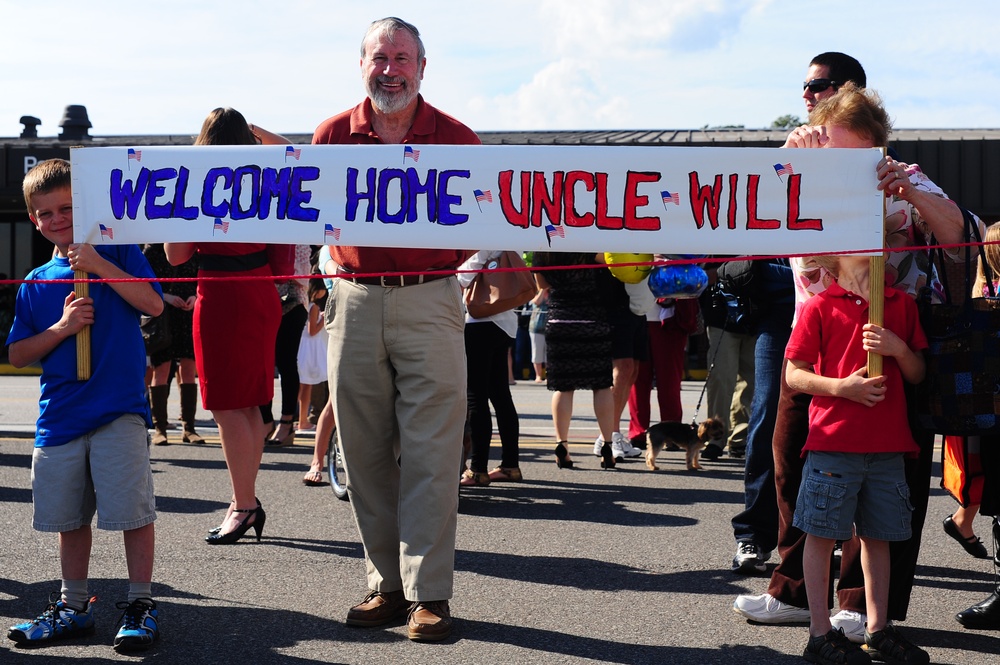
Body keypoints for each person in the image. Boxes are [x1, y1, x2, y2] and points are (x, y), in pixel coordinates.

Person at [734, 76, 972, 644]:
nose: (838, 163)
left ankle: (863, 607)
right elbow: (764, 227)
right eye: (828, 148)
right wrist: (794, 172)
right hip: (814, 337)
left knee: (888, 488)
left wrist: (908, 193)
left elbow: (964, 238)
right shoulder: (803, 175)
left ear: (877, 146)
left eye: (851, 154)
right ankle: (791, 591)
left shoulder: (906, 179)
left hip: (888, 345)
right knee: (795, 470)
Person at [312, 16, 479, 642]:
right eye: (380, 58)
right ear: (362, 66)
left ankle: (427, 594)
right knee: (362, 453)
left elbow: (486, 220)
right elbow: (311, 213)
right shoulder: (330, 135)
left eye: (402, 58)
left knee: (434, 456)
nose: (391, 70)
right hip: (352, 302)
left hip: (431, 300)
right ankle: (385, 583)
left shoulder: (458, 139)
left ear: (422, 67)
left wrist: (464, 272)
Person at [5, 158, 164, 652]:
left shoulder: (119, 253)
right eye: (47, 212)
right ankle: (73, 606)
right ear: (34, 219)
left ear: (88, 206)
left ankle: (140, 603)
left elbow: (154, 304)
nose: (58, 219)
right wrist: (62, 329)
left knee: (131, 513)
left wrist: (99, 265)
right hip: (60, 417)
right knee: (69, 519)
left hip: (118, 408)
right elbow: (16, 353)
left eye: (68, 208)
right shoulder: (37, 280)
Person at [787, 249, 929, 664]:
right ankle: (819, 631)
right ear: (831, 261)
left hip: (888, 445)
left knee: (878, 536)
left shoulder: (901, 305)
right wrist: (841, 388)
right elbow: (794, 374)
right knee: (821, 534)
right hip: (833, 442)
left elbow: (918, 371)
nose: (870, 242)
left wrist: (899, 348)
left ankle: (878, 627)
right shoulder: (818, 307)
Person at [165, 108, 284, 545]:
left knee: (228, 407)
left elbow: (176, 255)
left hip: (222, 291)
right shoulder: (266, 178)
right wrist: (257, 134)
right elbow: (300, 155)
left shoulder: (199, 185)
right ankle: (244, 500)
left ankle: (245, 503)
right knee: (249, 405)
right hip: (261, 290)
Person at [729, 258, 794, 574]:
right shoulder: (766, 209)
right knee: (766, 417)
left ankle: (832, 534)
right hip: (777, 314)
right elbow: (749, 266)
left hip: (833, 310)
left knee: (826, 420)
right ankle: (753, 534)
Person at [533, 251, 619, 470]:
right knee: (601, 386)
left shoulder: (544, 246)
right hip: (593, 319)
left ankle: (561, 444)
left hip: (560, 319)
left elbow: (542, 284)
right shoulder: (590, 240)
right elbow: (611, 264)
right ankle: (607, 446)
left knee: (563, 387)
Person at [457, 250, 524, 486]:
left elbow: (463, 275)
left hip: (480, 324)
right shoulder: (514, 234)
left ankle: (477, 469)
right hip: (505, 323)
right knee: (501, 395)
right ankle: (510, 465)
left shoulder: (486, 235)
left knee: (475, 396)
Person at [142, 243, 204, 446]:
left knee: (188, 369)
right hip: (162, 315)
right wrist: (166, 297)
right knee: (161, 369)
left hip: (187, 314)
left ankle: (189, 428)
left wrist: (195, 297)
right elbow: (143, 282)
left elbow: (200, 277)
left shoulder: (192, 248)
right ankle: (160, 428)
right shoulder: (152, 250)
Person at [627, 295, 699, 450]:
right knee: (638, 382)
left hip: (670, 321)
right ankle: (638, 433)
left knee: (670, 382)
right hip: (639, 316)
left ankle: (672, 433)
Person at [592, 264, 645, 461]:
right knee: (622, 367)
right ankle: (609, 435)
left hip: (637, 301)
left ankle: (611, 433)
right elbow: (598, 255)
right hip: (612, 300)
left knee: (632, 370)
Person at [261, 244, 311, 447]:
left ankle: (287, 422)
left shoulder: (299, 234)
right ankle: (265, 420)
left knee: (286, 363)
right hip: (262, 298)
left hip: (293, 301)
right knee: (262, 362)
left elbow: (301, 271)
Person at [295, 276, 328, 437]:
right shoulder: (314, 306)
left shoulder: (305, 304)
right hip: (311, 349)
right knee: (307, 386)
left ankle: (299, 419)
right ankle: (303, 421)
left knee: (303, 387)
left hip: (304, 347)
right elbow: (312, 330)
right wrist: (324, 318)